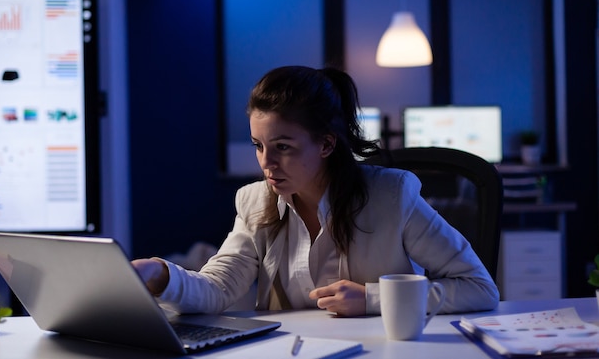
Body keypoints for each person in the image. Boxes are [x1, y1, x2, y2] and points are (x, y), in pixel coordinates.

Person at [132, 65, 500, 317]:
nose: (266, 163)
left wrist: (373, 299)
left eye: (283, 147)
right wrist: (160, 274)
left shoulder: (392, 195)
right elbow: (219, 289)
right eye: (258, 146)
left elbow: (479, 288)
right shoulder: (256, 202)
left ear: (326, 144)